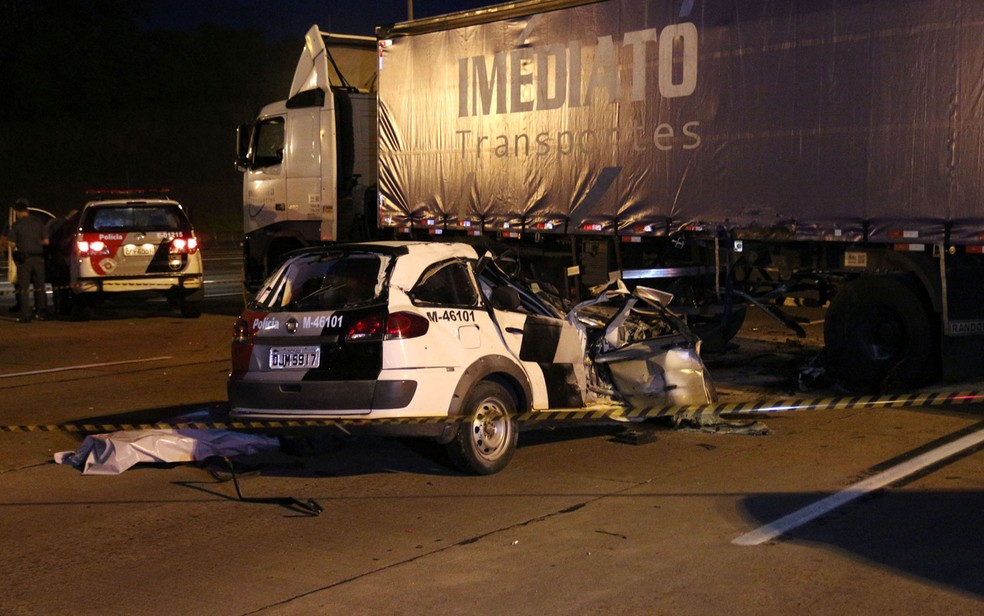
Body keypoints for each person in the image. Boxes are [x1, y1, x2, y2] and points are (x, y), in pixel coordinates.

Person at [7, 198, 49, 322]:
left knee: (24, 288)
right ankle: (42, 313)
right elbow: (46, 241)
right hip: (39, 259)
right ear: (27, 210)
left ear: (17, 212)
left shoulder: (17, 225)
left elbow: (11, 244)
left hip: (24, 260)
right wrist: (36, 243)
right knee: (40, 287)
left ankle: (25, 315)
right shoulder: (38, 222)